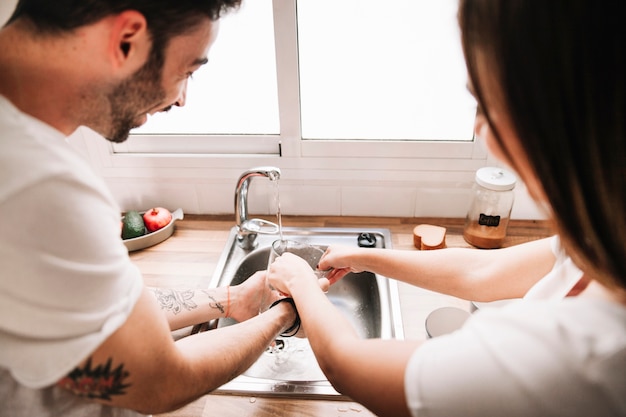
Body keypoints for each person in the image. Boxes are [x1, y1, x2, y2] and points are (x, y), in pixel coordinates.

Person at [267, 1, 626, 416]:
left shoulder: (568, 359)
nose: (480, 130)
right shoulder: (600, 244)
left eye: (486, 104)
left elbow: (347, 365)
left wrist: (302, 282)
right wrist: (363, 257)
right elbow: (483, 272)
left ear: (554, 117)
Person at [0, 1, 302, 416]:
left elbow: (101, 306)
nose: (181, 99)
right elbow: (162, 382)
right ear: (127, 40)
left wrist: (234, 299)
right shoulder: (39, 182)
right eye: (186, 72)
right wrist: (286, 313)